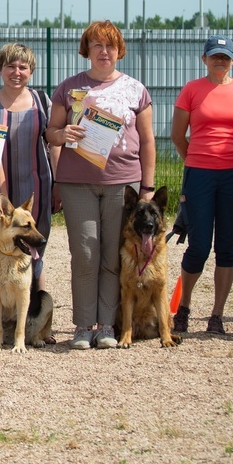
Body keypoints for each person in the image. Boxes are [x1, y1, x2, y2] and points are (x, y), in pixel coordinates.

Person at [46, 20, 156, 350]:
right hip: (77, 182)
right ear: (87, 50)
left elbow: (148, 142)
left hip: (123, 184)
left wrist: (147, 188)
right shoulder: (70, 88)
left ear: (119, 50)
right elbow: (50, 132)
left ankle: (106, 324)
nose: (104, 51)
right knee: (84, 254)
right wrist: (62, 135)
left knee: (112, 256)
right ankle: (82, 325)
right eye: (97, 45)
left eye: (110, 45)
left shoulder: (136, 90)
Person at [171, 35, 233, 336]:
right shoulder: (192, 90)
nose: (220, 61)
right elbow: (178, 135)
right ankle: (184, 307)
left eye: (225, 56)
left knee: (226, 247)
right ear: (204, 59)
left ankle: (217, 315)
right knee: (199, 245)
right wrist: (195, 158)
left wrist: (228, 157)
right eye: (215, 55)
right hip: (200, 175)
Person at [0, 43, 60, 302]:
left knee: (35, 247)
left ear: (31, 71)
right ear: (0, 69)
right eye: (10, 66)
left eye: (23, 67)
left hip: (37, 188)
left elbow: (54, 143)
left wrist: (58, 183)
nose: (16, 72)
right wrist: (1, 194)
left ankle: (36, 313)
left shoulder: (42, 101)